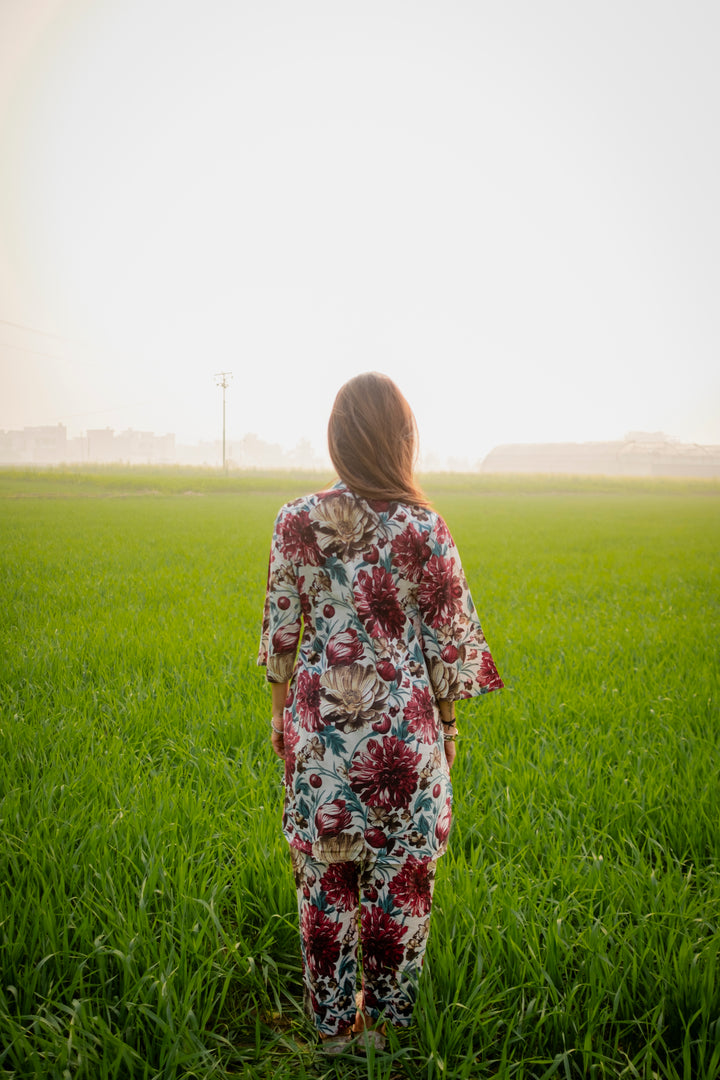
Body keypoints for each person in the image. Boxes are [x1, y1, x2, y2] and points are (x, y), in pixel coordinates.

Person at [258, 372, 503, 1054]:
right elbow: (449, 644)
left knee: (326, 889)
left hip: (322, 745)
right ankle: (389, 1033)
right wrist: (448, 729)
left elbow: (282, 636)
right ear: (402, 441)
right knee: (403, 892)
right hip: (408, 742)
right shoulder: (426, 526)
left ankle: (336, 1032)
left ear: (338, 440)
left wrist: (282, 720)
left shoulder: (295, 520)